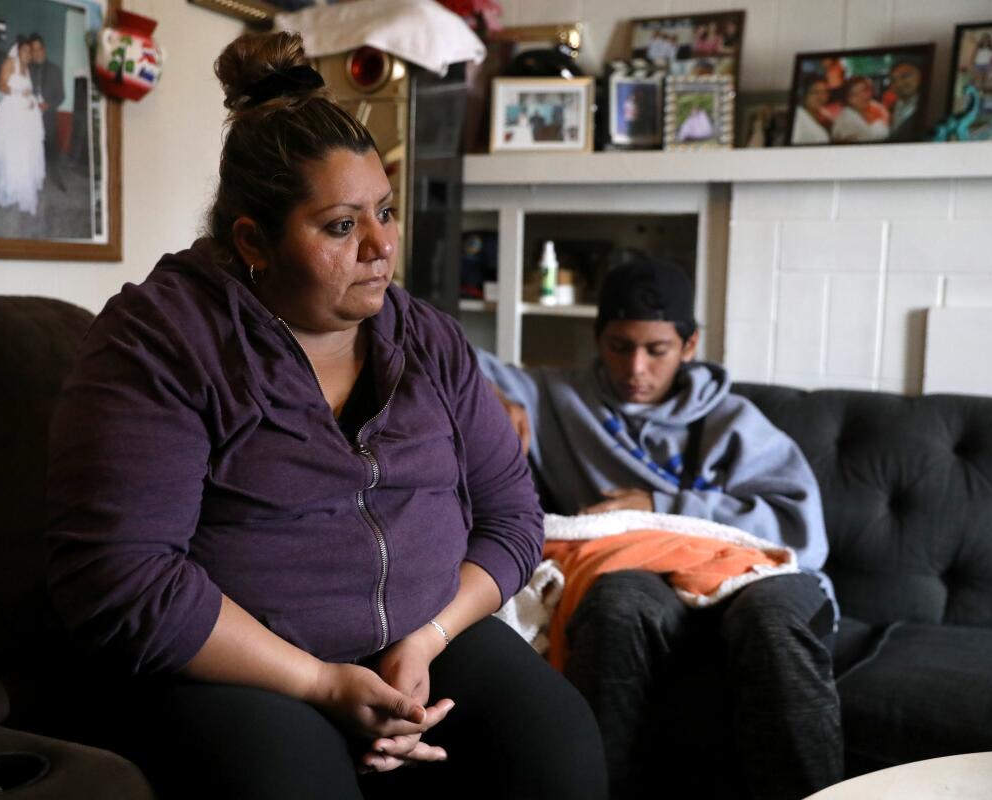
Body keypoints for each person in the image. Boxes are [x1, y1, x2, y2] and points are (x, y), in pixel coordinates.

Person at [44, 30, 606, 800]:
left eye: (385, 210)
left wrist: (426, 639)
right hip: (244, 667)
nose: (382, 246)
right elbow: (122, 578)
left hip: (422, 637)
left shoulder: (425, 337)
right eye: (342, 226)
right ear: (254, 242)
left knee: (559, 748)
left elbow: (511, 516)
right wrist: (318, 683)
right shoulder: (162, 343)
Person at [479, 259, 843, 800]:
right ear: (597, 338)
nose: (635, 369)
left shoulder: (733, 421)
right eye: (619, 346)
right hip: (637, 570)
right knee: (614, 604)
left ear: (689, 345)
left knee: (772, 624)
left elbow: (799, 528)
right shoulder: (558, 396)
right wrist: (486, 395)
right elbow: (439, 344)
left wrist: (660, 502)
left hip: (746, 571)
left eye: (657, 350)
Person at [0, 37, 45, 216]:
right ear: (18, 50)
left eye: (30, 52)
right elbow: (2, 85)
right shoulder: (10, 62)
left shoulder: (27, 69)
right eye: (25, 50)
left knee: (25, 154)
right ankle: (10, 189)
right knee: (12, 152)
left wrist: (31, 101)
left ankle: (22, 190)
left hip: (25, 118)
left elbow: (28, 92)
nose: (28, 54)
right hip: (11, 115)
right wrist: (20, 93)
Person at [28, 33, 66, 191]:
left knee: (51, 149)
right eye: (33, 50)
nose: (37, 52)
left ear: (44, 49)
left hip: (48, 116)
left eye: (39, 49)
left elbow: (62, 95)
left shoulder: (55, 70)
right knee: (30, 149)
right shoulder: (26, 69)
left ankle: (56, 178)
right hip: (29, 118)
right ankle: (31, 178)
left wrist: (48, 105)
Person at [832, 75, 890, 143]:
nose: (863, 96)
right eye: (855, 94)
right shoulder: (846, 122)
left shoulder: (876, 107)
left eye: (864, 90)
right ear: (847, 99)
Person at [887, 61, 922, 142]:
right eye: (894, 81)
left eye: (905, 76)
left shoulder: (933, 103)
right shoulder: (892, 108)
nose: (899, 84)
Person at [791, 77, 832, 144]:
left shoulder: (825, 114)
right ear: (803, 94)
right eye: (815, 92)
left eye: (824, 92)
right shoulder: (797, 118)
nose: (821, 97)